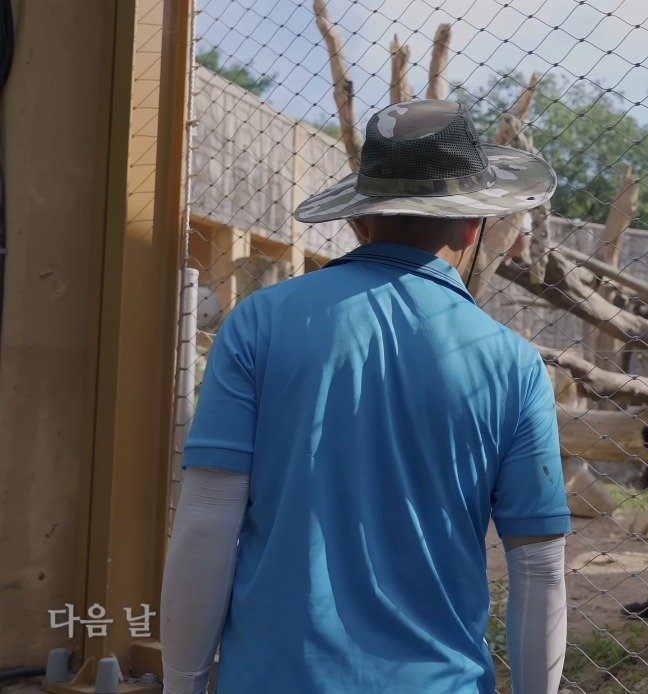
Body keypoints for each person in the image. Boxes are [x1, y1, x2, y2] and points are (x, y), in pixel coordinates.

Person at [160, 100, 571, 694]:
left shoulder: (260, 324)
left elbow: (206, 521)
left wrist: (183, 685)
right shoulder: (514, 365)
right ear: (472, 225)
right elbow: (539, 567)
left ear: (360, 219)